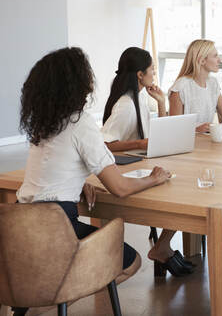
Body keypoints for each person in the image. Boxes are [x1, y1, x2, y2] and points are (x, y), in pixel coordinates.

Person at [16, 48, 171, 301]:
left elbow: (52, 170)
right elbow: (119, 188)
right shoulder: (80, 123)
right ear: (77, 83)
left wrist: (79, 184)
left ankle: (42, 298)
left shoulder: (43, 124)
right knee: (130, 262)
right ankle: (57, 298)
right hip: (58, 227)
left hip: (19, 224)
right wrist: (154, 178)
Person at [101, 47, 192, 277]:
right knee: (181, 192)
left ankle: (163, 247)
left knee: (183, 184)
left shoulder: (140, 98)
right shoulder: (125, 105)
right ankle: (162, 248)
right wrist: (139, 144)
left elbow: (158, 135)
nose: (154, 73)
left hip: (139, 165)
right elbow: (104, 144)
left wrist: (161, 102)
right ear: (140, 74)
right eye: (152, 69)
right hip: (127, 170)